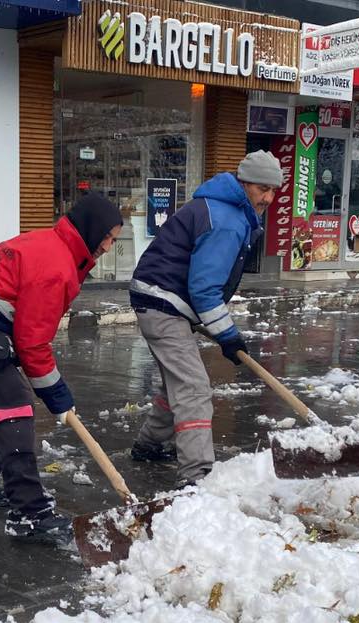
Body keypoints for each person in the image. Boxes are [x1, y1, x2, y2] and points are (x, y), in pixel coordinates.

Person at [0, 193, 123, 541]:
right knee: (14, 408)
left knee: (2, 408)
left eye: (114, 240)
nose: (109, 246)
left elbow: (28, 333)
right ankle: (29, 514)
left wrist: (54, 392)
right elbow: (32, 342)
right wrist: (57, 395)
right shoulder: (56, 263)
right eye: (107, 237)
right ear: (91, 229)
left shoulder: (58, 250)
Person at [127, 152, 276, 486]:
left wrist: (222, 331)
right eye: (261, 188)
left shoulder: (230, 210)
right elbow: (205, 288)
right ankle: (197, 475)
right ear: (244, 183)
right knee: (193, 388)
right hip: (163, 301)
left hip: (161, 297)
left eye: (273, 190)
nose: (267, 197)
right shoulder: (226, 219)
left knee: (177, 382)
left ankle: (149, 445)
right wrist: (228, 335)